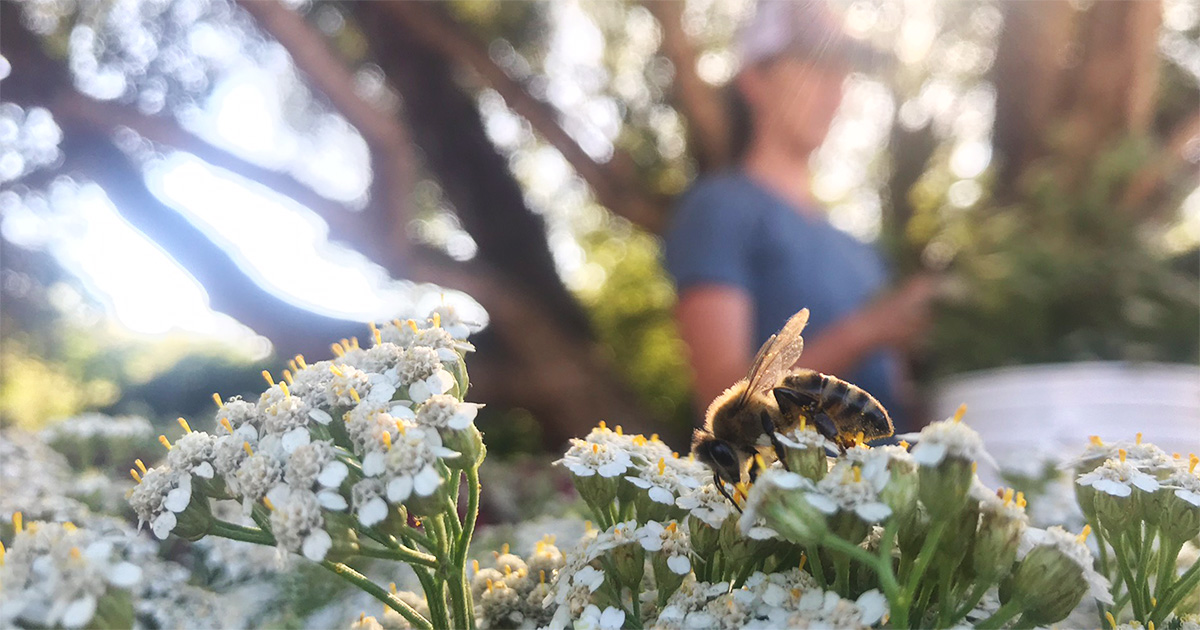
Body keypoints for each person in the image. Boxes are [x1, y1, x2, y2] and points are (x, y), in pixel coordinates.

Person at [664, 1, 938, 432]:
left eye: (842, 70)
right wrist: (867, 330)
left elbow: (899, 402)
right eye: (814, 66)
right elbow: (721, 400)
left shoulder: (864, 252)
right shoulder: (720, 209)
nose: (835, 90)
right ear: (755, 79)